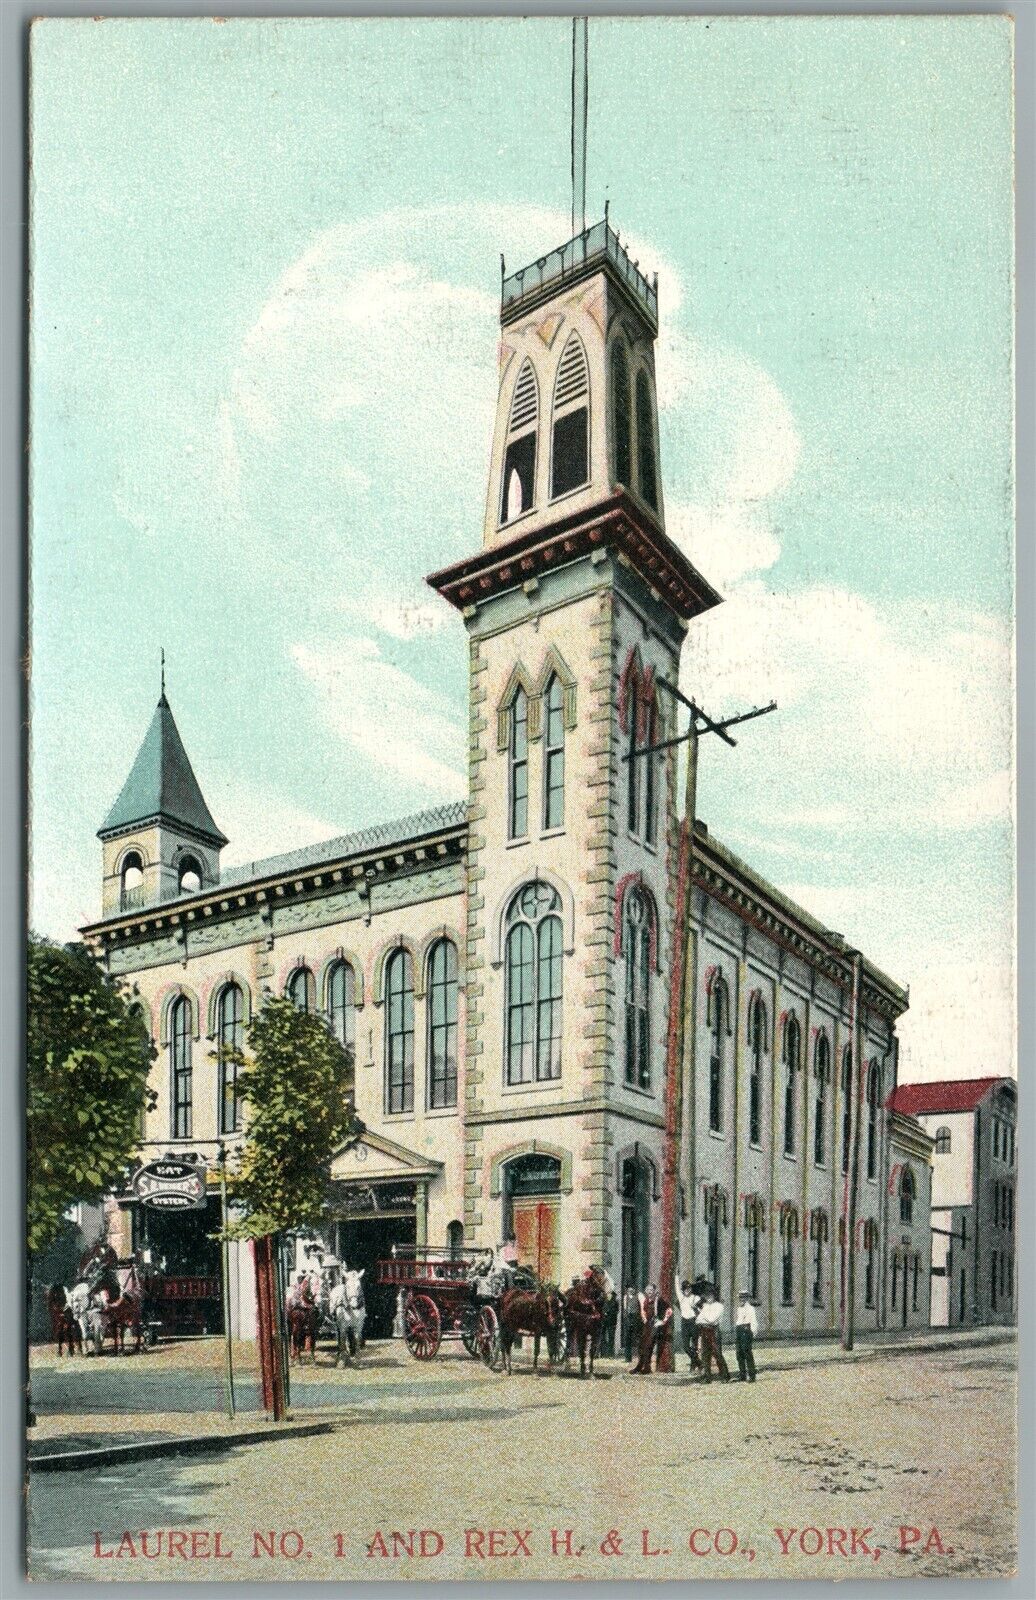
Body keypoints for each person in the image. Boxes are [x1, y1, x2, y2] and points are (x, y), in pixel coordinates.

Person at [631, 1283, 673, 1373]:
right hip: (647, 1325)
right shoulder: (646, 1300)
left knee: (648, 1345)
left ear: (654, 1291)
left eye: (651, 1290)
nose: (649, 1291)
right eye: (648, 1290)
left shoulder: (659, 1300)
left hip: (655, 1325)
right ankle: (640, 1366)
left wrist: (663, 1321)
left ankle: (647, 1368)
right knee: (642, 1345)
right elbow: (644, 1311)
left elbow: (669, 1310)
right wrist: (644, 1318)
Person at [696, 1287, 730, 1383]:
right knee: (705, 1354)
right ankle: (707, 1377)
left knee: (717, 1353)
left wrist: (704, 1315)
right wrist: (703, 1316)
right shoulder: (705, 1306)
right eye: (707, 1296)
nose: (708, 1298)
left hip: (714, 1331)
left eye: (710, 1295)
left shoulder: (719, 1306)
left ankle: (725, 1375)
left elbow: (712, 1319)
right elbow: (697, 1320)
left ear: (714, 1296)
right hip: (704, 1330)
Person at [674, 1275, 702, 1372]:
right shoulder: (681, 1297)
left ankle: (693, 1366)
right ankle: (699, 1363)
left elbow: (702, 1309)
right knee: (686, 1347)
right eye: (685, 1288)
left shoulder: (696, 1298)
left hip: (693, 1321)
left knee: (694, 1346)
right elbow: (676, 1286)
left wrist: (696, 1308)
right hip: (684, 1322)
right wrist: (676, 1275)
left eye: (689, 1288)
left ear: (691, 1289)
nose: (687, 1290)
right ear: (683, 1290)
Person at [734, 1291, 758, 1382]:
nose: (741, 1299)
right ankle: (742, 1374)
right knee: (739, 1353)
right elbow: (739, 1320)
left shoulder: (751, 1308)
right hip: (739, 1330)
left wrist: (752, 1332)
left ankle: (752, 1375)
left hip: (746, 1330)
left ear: (747, 1298)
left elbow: (753, 1321)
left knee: (747, 1352)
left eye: (743, 1297)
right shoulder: (739, 1309)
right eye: (740, 1298)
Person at [622, 1284, 640, 1362]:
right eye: (629, 1289)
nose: (631, 1290)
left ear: (634, 1290)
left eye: (632, 1289)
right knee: (627, 1338)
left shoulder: (637, 1297)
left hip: (635, 1318)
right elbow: (625, 1308)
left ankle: (640, 1357)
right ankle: (627, 1358)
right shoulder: (625, 1297)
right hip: (628, 1319)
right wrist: (626, 1317)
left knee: (637, 1338)